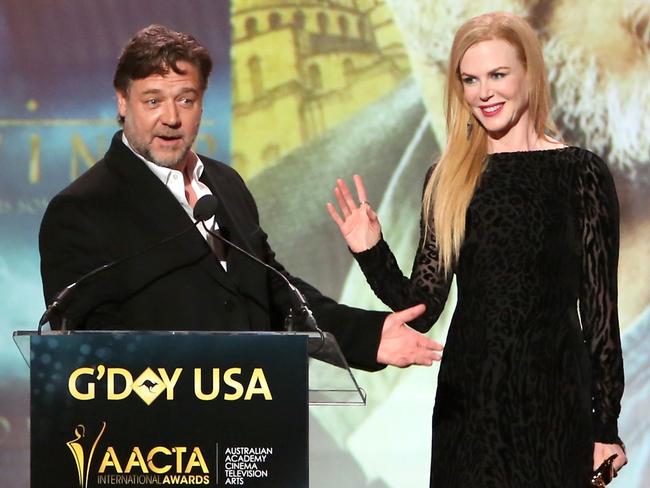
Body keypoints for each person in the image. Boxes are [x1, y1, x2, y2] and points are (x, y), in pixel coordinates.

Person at [327, 12, 626, 487]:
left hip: (555, 405)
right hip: (468, 408)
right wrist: (372, 252)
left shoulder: (580, 174)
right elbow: (422, 308)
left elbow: (600, 314)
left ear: (529, 73)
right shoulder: (448, 179)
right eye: (470, 79)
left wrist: (605, 427)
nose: (483, 92)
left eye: (498, 75)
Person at [38, 24, 443, 372]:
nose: (171, 117)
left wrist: (366, 337)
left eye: (186, 99)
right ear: (122, 102)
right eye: (153, 100)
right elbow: (84, 356)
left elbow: (274, 291)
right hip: (155, 449)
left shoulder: (225, 183)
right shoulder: (82, 210)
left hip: (251, 427)